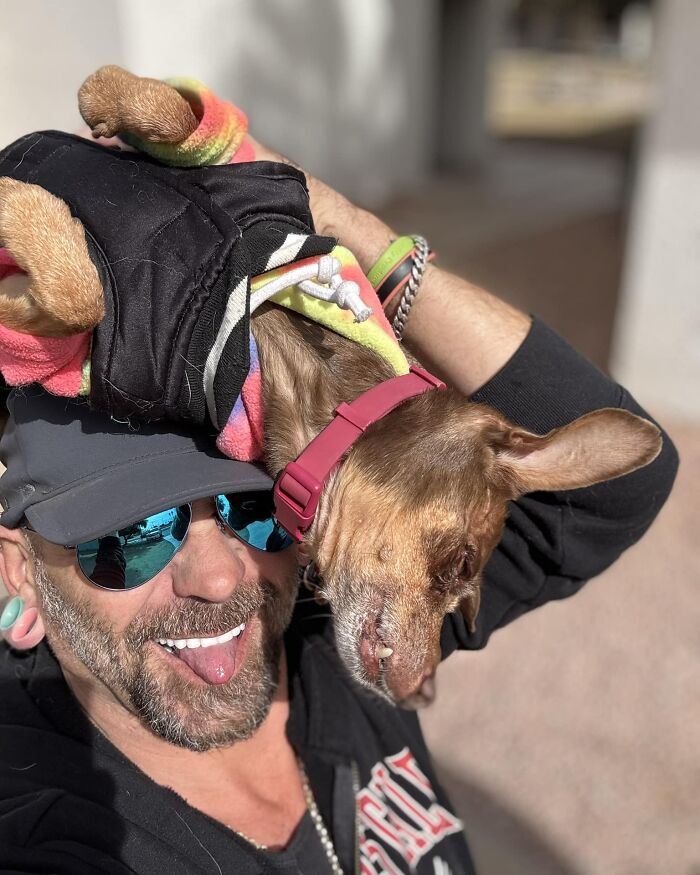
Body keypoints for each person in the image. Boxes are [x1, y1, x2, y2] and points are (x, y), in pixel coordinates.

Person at [0, 157, 678, 874]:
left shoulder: (336, 623)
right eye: (130, 536)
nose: (221, 577)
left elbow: (617, 488)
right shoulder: (56, 830)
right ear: (19, 567)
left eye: (259, 510)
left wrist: (354, 234)